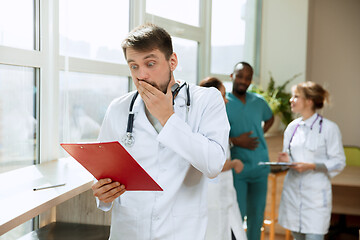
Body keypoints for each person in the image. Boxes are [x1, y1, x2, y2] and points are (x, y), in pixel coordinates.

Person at [91, 23, 230, 240]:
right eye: (134, 66)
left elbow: (213, 164)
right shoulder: (119, 108)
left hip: (181, 232)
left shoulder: (207, 100)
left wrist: (167, 117)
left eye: (151, 63)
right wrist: (104, 195)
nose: (141, 75)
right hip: (128, 232)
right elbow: (105, 172)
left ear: (172, 61)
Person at [277, 81, 346, 240]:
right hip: (293, 194)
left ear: (309, 101)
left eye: (296, 97)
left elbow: (339, 161)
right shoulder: (292, 128)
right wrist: (285, 160)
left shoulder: (329, 128)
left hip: (315, 197)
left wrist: (312, 166)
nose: (291, 100)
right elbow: (288, 156)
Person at [226, 62, 274, 240]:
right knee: (238, 216)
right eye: (240, 76)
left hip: (260, 166)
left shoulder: (258, 102)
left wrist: (261, 133)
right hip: (239, 168)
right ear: (232, 76)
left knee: (257, 216)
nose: (243, 81)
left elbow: (270, 118)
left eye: (247, 78)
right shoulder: (224, 103)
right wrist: (237, 141)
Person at [200, 77, 247, 240]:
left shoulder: (217, 122)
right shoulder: (202, 125)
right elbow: (213, 162)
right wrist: (234, 163)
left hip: (224, 193)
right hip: (211, 195)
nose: (226, 101)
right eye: (223, 95)